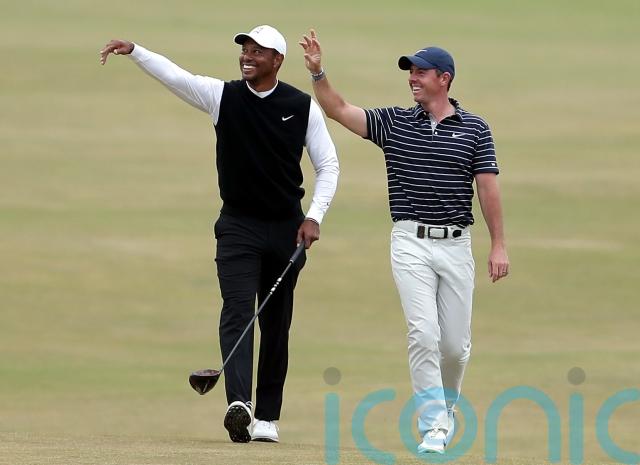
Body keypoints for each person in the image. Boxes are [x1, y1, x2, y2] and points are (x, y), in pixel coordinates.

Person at [99, 25, 339, 444]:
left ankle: (267, 417)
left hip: (287, 228)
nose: (247, 56)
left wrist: (314, 217)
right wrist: (135, 50)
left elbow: (329, 165)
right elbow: (177, 77)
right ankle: (240, 405)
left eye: (258, 51)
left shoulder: (301, 106)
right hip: (238, 226)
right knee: (237, 310)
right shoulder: (222, 96)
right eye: (245, 49)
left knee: (276, 323)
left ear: (277, 60)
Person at [299, 30, 509, 454]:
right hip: (410, 242)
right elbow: (338, 109)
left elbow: (487, 189)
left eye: (420, 72)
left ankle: (445, 410)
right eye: (410, 72)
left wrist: (498, 244)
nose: (412, 78)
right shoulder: (395, 123)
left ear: (444, 78)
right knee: (423, 334)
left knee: (454, 348)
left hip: (456, 244)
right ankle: (433, 427)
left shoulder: (475, 129)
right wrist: (319, 73)